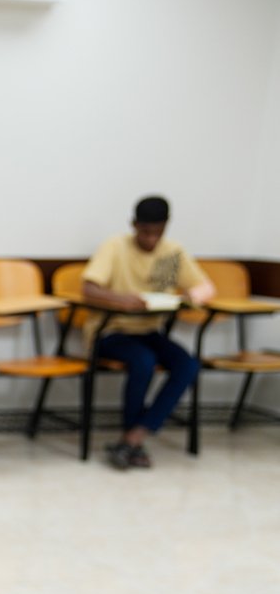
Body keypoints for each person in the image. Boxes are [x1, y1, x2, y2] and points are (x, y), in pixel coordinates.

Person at [82, 195, 214, 470]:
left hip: (149, 331)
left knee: (188, 365)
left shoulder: (171, 253)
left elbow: (204, 287)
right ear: (134, 225)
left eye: (157, 232)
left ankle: (134, 437)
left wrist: (190, 296)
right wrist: (122, 300)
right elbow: (89, 289)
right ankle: (132, 442)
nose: (151, 239)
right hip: (111, 331)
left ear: (166, 226)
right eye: (145, 232)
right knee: (143, 361)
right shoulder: (115, 246)